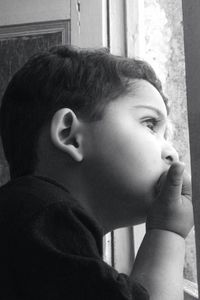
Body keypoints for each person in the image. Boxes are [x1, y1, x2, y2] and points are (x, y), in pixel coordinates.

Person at [0, 45, 193, 300]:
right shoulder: (40, 211)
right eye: (149, 124)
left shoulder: (38, 228)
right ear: (69, 135)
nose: (173, 153)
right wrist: (169, 231)